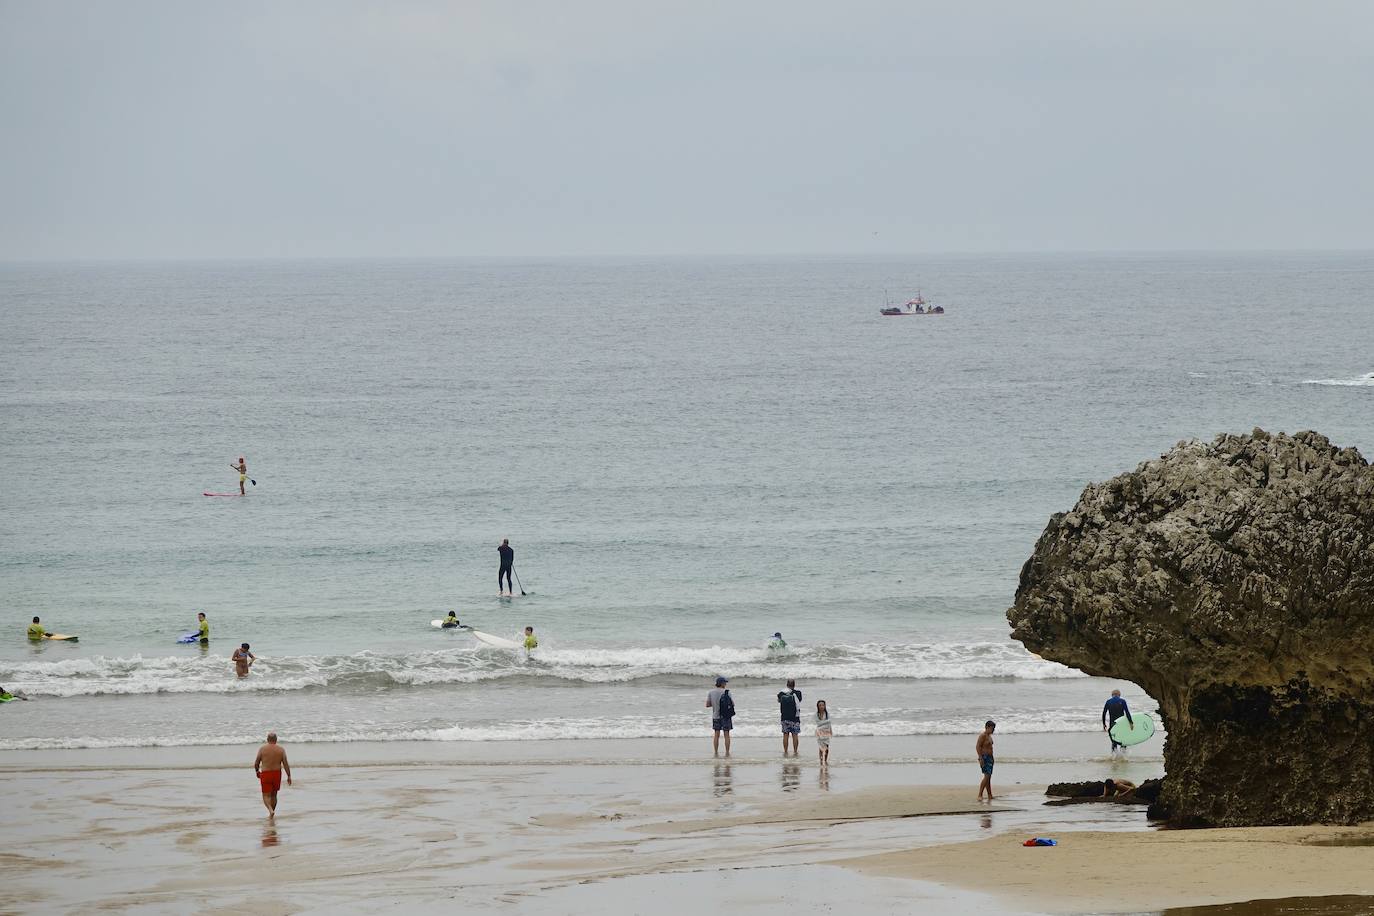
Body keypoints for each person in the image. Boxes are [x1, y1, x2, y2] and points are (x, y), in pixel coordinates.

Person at [253, 732, 292, 817]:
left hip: (266, 774)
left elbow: (256, 763)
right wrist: (289, 776)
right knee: (274, 795)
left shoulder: (262, 749)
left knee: (266, 795)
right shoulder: (281, 750)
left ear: (267, 739)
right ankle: (272, 811)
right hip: (277, 774)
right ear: (276, 740)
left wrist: (257, 771)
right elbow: (285, 764)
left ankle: (270, 810)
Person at [706, 676, 734, 758]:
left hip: (716, 716)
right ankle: (727, 752)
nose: (725, 684)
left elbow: (707, 705)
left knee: (716, 734)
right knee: (726, 734)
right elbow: (732, 704)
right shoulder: (727, 692)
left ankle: (716, 752)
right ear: (721, 683)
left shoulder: (711, 692)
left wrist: (715, 704)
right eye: (725, 682)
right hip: (726, 716)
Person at [777, 678, 803, 756]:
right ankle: (795, 751)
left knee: (785, 735)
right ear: (794, 685)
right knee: (795, 735)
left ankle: (785, 751)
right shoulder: (798, 693)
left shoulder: (781, 693)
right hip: (795, 717)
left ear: (787, 685)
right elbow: (799, 700)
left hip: (784, 717)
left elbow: (779, 700)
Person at [1103, 689, 1134, 753]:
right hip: (1121, 724)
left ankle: (1114, 758)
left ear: (1112, 695)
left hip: (1112, 725)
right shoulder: (1122, 701)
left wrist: (1104, 724)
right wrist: (1131, 722)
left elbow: (1104, 713)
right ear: (1119, 695)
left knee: (1114, 741)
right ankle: (1123, 757)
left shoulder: (1108, 702)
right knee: (1123, 741)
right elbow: (1127, 712)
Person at [976, 720, 996, 801]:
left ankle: (989, 795)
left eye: (994, 729)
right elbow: (978, 747)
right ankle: (980, 794)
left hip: (990, 758)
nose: (993, 730)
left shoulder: (989, 736)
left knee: (988, 777)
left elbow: (991, 748)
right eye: (992, 728)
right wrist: (980, 758)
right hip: (984, 757)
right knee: (987, 776)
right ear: (987, 727)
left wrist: (992, 758)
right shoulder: (982, 736)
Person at [815, 699, 832, 765]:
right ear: (818, 706)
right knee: (821, 747)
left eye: (823, 705)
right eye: (820, 705)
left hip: (826, 732)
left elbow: (829, 723)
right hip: (819, 732)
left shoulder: (827, 714)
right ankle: (821, 760)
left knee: (827, 747)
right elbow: (818, 723)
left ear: (825, 706)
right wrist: (825, 723)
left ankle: (825, 759)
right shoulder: (816, 715)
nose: (821, 706)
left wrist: (831, 730)